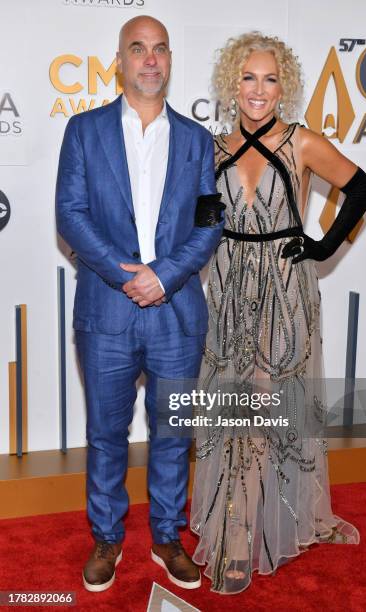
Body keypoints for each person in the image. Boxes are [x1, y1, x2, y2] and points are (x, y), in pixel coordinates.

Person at [190, 32, 366, 594]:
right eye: (249, 77)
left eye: (270, 79)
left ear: (284, 86)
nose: (259, 90)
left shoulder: (301, 143)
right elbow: (197, 224)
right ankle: (244, 519)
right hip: (225, 287)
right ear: (231, 83)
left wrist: (323, 245)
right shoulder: (211, 150)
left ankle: (243, 536)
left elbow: (361, 187)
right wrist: (202, 219)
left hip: (284, 287)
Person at [56, 15, 224, 592]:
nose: (149, 60)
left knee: (173, 431)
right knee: (106, 433)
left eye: (159, 50)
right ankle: (107, 538)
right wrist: (126, 274)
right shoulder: (84, 130)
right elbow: (70, 215)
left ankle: (168, 537)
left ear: (170, 60)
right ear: (121, 61)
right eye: (137, 50)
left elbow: (209, 225)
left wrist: (164, 276)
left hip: (176, 312)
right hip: (106, 311)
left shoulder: (200, 142)